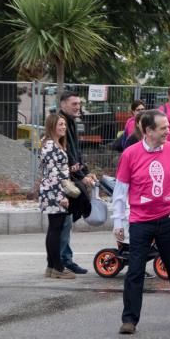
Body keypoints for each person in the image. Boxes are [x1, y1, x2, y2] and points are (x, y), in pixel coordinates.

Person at [113, 110, 170, 335]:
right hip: (140, 220)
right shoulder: (130, 154)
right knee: (135, 270)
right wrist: (118, 222)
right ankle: (129, 319)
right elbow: (120, 192)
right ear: (148, 131)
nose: (168, 131)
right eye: (162, 128)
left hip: (168, 218)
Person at [58, 92, 96, 275]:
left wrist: (85, 172)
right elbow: (65, 153)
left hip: (72, 175)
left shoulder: (71, 122)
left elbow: (76, 151)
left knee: (66, 220)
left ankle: (62, 259)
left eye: (79, 103)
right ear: (63, 104)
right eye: (74, 103)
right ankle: (62, 261)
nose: (77, 106)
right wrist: (80, 175)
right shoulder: (59, 122)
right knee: (64, 220)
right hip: (62, 179)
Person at [39, 113, 75, 279]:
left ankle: (51, 267)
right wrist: (61, 196)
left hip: (53, 190)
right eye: (60, 124)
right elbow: (53, 174)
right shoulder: (50, 146)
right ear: (52, 125)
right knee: (55, 230)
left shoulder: (55, 144)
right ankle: (57, 268)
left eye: (64, 125)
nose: (63, 127)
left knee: (54, 229)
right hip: (54, 192)